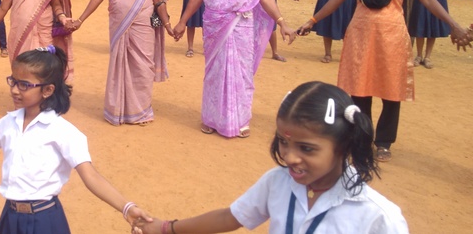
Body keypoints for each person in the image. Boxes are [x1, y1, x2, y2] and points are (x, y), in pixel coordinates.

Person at [0, 47, 152, 234]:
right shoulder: (9, 122)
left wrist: (127, 208)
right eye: (13, 81)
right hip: (10, 216)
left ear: (47, 90)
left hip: (45, 220)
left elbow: (91, 177)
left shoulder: (63, 131)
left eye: (25, 85)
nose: (15, 90)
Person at [297, 0, 473, 161]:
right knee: (359, 90)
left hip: (392, 37)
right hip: (360, 35)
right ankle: (362, 139)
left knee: (391, 89)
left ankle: (384, 142)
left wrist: (454, 25)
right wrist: (312, 20)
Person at [135, 82, 408, 234]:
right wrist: (166, 228)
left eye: (307, 148)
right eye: (283, 142)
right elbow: (231, 217)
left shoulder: (379, 218)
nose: (290, 157)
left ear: (344, 145)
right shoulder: (277, 182)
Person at [173, 0, 296, 138]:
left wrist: (281, 22)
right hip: (214, 25)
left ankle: (240, 119)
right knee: (214, 72)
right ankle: (211, 118)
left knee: (241, 72)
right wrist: (183, 21)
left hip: (242, 25)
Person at [68, 0, 172, 125]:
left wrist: (167, 24)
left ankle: (140, 111)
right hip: (119, 22)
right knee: (120, 64)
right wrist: (81, 20)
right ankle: (118, 110)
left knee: (143, 65)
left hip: (143, 23)